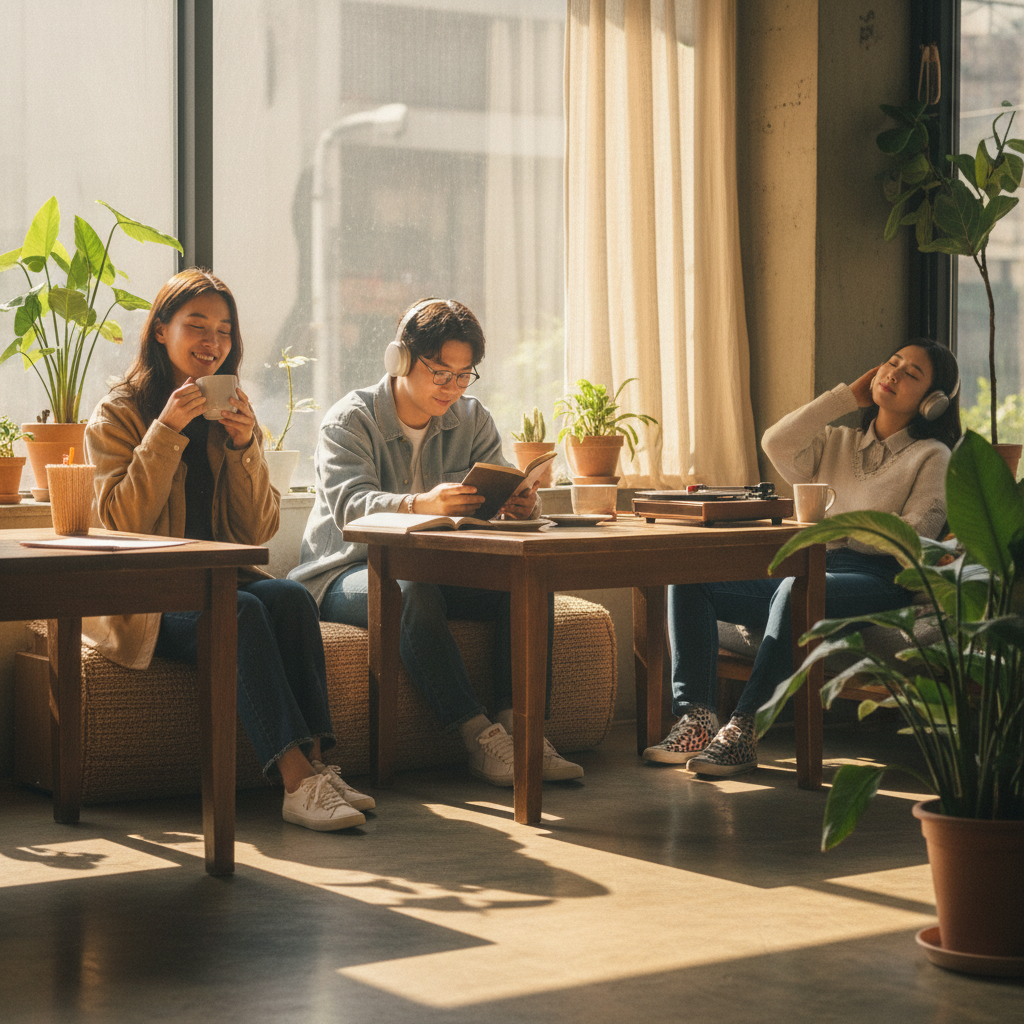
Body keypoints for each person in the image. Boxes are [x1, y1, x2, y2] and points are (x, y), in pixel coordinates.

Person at [84, 268, 372, 832]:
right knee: (239, 611)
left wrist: (245, 447)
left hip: (214, 578)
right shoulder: (117, 414)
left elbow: (258, 530)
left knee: (288, 598)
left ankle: (317, 765)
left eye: (223, 329)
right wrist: (165, 430)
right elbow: (120, 521)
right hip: (143, 596)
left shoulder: (229, 416)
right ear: (161, 331)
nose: (212, 342)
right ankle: (294, 782)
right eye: (196, 325)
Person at [289, 297, 583, 786]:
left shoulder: (472, 419)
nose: (453, 388)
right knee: (412, 588)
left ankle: (522, 733)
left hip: (442, 566)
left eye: (464, 375)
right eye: (440, 373)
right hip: (345, 572)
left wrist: (521, 505)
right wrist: (420, 503)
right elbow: (350, 508)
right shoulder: (351, 420)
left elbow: (496, 493)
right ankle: (478, 738)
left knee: (529, 581)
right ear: (400, 360)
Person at [644, 339, 962, 775]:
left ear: (934, 402)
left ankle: (745, 727)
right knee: (690, 575)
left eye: (912, 373)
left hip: (881, 579)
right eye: (892, 362)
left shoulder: (933, 456)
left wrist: (839, 529)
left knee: (799, 588)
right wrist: (844, 397)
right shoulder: (838, 441)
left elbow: (912, 538)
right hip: (813, 567)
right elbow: (776, 442)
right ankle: (697, 719)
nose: (894, 373)